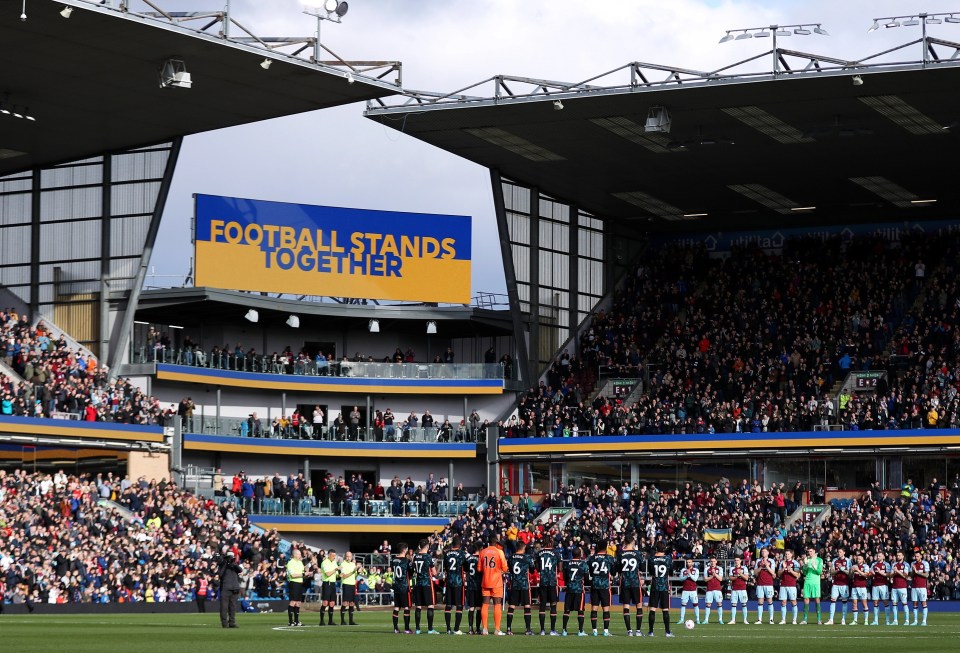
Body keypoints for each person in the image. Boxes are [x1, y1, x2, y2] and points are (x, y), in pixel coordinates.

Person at [479, 533, 509, 635]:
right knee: (497, 604)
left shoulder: (482, 552)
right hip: (496, 582)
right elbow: (505, 568)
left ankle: (485, 629)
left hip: (486, 581)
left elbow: (479, 569)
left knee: (485, 604)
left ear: (488, 542)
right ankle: (497, 629)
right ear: (496, 542)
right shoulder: (500, 552)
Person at [586, 538, 615, 636]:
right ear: (606, 547)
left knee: (594, 608)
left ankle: (594, 630)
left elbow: (590, 571)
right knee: (605, 608)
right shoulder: (609, 558)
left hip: (594, 585)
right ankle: (606, 631)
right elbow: (614, 572)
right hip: (605, 586)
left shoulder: (592, 558)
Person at [616, 535, 644, 635]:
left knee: (626, 606)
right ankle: (638, 631)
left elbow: (618, 569)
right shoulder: (637, 553)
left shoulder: (620, 554)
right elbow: (642, 567)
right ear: (632, 543)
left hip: (625, 582)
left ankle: (629, 631)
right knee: (639, 606)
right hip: (635, 582)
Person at [506, 541, 534, 635]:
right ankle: (528, 629)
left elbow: (509, 569)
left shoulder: (511, 557)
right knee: (527, 606)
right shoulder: (527, 557)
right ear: (523, 547)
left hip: (514, 584)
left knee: (511, 606)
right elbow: (533, 569)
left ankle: (509, 629)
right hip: (524, 584)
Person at [411, 538, 439, 634]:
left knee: (418, 606)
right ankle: (430, 629)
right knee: (430, 605)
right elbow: (434, 573)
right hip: (427, 583)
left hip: (418, 583)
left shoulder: (415, 556)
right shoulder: (428, 557)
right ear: (427, 546)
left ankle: (418, 629)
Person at [647, 542, 674, 637]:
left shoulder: (652, 559)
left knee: (652, 609)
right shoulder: (668, 559)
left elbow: (651, 572)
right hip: (664, 587)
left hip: (655, 586)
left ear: (656, 549)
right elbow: (671, 572)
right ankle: (667, 632)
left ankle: (650, 632)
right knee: (665, 610)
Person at [441, 536, 466, 634]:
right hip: (458, 582)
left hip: (449, 582)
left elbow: (446, 568)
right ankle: (456, 629)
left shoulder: (446, 554)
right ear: (459, 544)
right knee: (459, 606)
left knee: (448, 605)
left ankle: (448, 629)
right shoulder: (461, 554)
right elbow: (466, 567)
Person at [561, 546, 588, 637]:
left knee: (567, 610)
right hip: (579, 590)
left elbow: (564, 577)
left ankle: (564, 630)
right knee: (580, 610)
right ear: (580, 554)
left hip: (569, 589)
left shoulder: (567, 564)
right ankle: (580, 631)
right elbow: (587, 578)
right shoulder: (583, 564)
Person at [537, 539, 561, 635]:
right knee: (553, 605)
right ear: (551, 543)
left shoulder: (539, 553)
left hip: (543, 581)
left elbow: (537, 567)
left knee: (542, 605)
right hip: (552, 582)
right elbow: (560, 568)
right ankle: (552, 630)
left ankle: (542, 630)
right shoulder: (555, 553)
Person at [217, 550, 243, 629]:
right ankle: (224, 623)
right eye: (229, 558)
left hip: (234, 588)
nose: (230, 559)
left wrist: (233, 563)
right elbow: (220, 575)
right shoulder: (222, 565)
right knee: (224, 607)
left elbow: (240, 570)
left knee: (233, 607)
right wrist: (225, 564)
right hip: (225, 588)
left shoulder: (234, 565)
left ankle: (232, 622)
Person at [826, 547, 851, 625]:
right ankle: (831, 620)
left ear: (844, 552)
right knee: (833, 601)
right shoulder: (834, 560)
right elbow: (832, 572)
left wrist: (842, 569)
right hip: (835, 584)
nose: (839, 553)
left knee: (844, 602)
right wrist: (838, 570)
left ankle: (843, 619)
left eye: (840, 552)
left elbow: (850, 573)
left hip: (844, 584)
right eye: (838, 552)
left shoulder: (848, 561)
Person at [391, 542, 412, 634]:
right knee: (406, 607)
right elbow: (410, 573)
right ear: (404, 550)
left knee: (397, 607)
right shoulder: (406, 560)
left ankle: (395, 628)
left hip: (396, 586)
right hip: (404, 586)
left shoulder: (394, 560)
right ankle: (407, 629)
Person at [801, 547, 824, 625]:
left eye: (811, 551)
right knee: (806, 599)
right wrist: (806, 565)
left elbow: (819, 572)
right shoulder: (807, 559)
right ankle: (805, 619)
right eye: (808, 551)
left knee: (817, 599)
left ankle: (819, 619)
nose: (809, 553)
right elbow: (804, 572)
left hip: (816, 582)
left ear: (814, 551)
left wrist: (814, 567)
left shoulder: (819, 560)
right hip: (807, 581)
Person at [778, 549, 801, 625]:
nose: (787, 555)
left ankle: (794, 620)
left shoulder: (795, 563)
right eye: (786, 554)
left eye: (788, 554)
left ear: (791, 555)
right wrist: (783, 569)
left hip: (792, 585)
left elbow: (797, 575)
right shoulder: (782, 562)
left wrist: (790, 570)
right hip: (783, 585)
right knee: (783, 602)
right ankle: (783, 619)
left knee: (793, 601)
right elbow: (778, 574)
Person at [465, 542, 483, 635]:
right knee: (479, 608)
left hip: (470, 586)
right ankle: (478, 629)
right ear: (480, 549)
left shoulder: (468, 558)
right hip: (479, 586)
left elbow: (465, 569)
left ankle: (470, 629)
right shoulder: (481, 558)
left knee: (471, 608)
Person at [754, 547, 775, 624]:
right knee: (760, 601)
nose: (763, 553)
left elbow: (773, 572)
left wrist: (767, 566)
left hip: (769, 584)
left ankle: (771, 619)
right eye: (762, 551)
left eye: (765, 551)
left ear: (768, 553)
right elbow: (755, 573)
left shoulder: (771, 561)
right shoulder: (758, 561)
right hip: (760, 584)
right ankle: (759, 619)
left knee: (770, 600)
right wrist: (761, 567)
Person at [677, 557, 700, 627]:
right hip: (685, 590)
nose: (688, 563)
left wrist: (689, 574)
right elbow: (681, 579)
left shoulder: (696, 570)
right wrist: (686, 575)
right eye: (687, 562)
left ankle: (698, 619)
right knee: (683, 605)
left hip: (693, 590)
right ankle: (681, 619)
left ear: (692, 563)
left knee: (695, 605)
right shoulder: (683, 570)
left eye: (689, 562)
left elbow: (695, 579)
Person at [870, 551, 892, 626]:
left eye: (879, 556)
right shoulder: (873, 564)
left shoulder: (886, 564)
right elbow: (870, 573)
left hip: (883, 585)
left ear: (883, 557)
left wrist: (880, 572)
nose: (878, 557)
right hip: (875, 585)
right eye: (877, 556)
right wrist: (871, 574)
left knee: (885, 602)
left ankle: (887, 621)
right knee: (875, 602)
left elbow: (889, 574)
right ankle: (876, 621)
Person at [319, 549, 340, 626]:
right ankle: (321, 621)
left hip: (333, 583)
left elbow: (337, 574)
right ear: (329, 555)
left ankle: (330, 621)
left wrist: (340, 575)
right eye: (333, 555)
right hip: (327, 583)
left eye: (335, 555)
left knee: (332, 603)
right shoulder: (324, 563)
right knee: (325, 602)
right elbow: (328, 574)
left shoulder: (334, 562)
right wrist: (336, 569)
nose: (334, 557)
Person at [890, 550, 911, 625]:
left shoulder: (906, 565)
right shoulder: (894, 564)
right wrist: (892, 574)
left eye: (899, 555)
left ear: (903, 556)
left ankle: (907, 621)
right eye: (897, 555)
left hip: (902, 587)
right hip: (894, 587)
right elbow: (891, 575)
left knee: (904, 603)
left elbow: (905, 576)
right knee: (894, 603)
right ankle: (895, 621)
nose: (898, 556)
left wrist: (897, 571)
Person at [286, 548, 305, 627]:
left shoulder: (300, 562)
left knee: (298, 603)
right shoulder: (290, 563)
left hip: (300, 583)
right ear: (294, 555)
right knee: (293, 602)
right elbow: (293, 575)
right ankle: (290, 621)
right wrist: (303, 574)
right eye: (299, 554)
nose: (300, 555)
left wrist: (307, 573)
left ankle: (296, 621)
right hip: (293, 583)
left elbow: (302, 572)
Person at [910, 550, 929, 626]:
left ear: (921, 556)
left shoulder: (925, 563)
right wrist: (913, 571)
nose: (916, 557)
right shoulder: (912, 564)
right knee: (915, 603)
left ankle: (924, 621)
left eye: (918, 556)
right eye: (915, 556)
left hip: (922, 586)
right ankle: (915, 621)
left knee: (923, 602)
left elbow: (926, 575)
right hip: (914, 586)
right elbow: (911, 576)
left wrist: (917, 572)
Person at [727, 556, 749, 625]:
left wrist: (740, 574)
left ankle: (745, 620)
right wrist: (736, 576)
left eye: (737, 560)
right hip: (734, 589)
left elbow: (746, 578)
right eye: (735, 560)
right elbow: (730, 577)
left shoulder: (744, 568)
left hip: (742, 589)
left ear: (740, 561)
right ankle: (733, 620)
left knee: (744, 604)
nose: (736, 561)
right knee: (733, 604)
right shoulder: (732, 569)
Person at [703, 555, 724, 625]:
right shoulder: (706, 569)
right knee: (708, 604)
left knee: (719, 603)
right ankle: (706, 620)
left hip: (718, 589)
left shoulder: (719, 568)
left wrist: (715, 574)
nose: (712, 563)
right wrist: (712, 576)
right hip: (709, 589)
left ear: (716, 562)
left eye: (714, 561)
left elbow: (720, 579)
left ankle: (720, 620)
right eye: (711, 561)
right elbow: (705, 579)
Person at [850, 554, 870, 625]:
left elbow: (866, 575)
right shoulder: (854, 566)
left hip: (862, 587)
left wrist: (857, 570)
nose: (858, 560)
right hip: (854, 587)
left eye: (860, 559)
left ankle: (866, 620)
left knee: (864, 603)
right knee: (854, 603)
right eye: (857, 559)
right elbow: (850, 576)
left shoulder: (865, 566)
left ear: (863, 560)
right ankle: (855, 620)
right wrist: (852, 571)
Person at [340, 551, 359, 625]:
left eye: (350, 556)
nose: (349, 558)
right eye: (347, 556)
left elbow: (355, 575)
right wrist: (353, 572)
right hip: (346, 584)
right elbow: (344, 576)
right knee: (345, 602)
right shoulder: (342, 564)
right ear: (345, 557)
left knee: (352, 603)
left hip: (352, 585)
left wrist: (359, 572)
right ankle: (342, 620)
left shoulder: (353, 564)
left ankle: (351, 621)